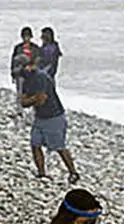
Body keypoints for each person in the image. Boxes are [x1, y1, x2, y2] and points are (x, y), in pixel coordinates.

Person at [19, 54, 80, 183]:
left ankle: (73, 172)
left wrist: (30, 100)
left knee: (59, 146)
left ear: (29, 66)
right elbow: (24, 101)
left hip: (54, 116)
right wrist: (31, 99)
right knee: (35, 144)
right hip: (40, 117)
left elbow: (40, 99)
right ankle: (41, 174)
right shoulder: (26, 79)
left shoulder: (40, 77)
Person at [10, 27, 40, 109]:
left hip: (31, 72)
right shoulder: (18, 47)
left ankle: (32, 108)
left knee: (31, 91)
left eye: (28, 36)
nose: (26, 38)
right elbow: (13, 60)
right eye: (24, 36)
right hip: (20, 72)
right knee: (20, 90)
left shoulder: (35, 48)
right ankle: (20, 108)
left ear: (31, 37)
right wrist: (12, 73)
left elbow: (38, 60)